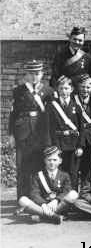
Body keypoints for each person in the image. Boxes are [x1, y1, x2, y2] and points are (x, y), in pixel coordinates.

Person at [9, 61, 54, 198]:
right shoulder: (18, 91)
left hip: (41, 132)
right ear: (26, 75)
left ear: (42, 74)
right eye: (31, 74)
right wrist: (11, 134)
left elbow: (51, 115)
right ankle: (22, 198)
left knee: (40, 164)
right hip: (22, 132)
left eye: (37, 74)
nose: (34, 77)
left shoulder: (48, 91)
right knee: (22, 165)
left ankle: (38, 196)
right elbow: (13, 113)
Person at [17, 146, 78, 224]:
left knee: (74, 194)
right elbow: (34, 193)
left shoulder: (65, 175)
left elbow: (67, 190)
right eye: (49, 160)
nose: (52, 163)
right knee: (22, 200)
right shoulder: (37, 175)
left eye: (55, 160)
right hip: (43, 205)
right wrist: (43, 204)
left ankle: (42, 216)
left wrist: (57, 200)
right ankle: (54, 216)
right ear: (45, 161)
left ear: (60, 161)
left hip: (58, 205)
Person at [46, 75, 84, 187]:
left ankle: (73, 198)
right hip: (58, 144)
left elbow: (81, 128)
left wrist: (80, 146)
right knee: (59, 172)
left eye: (66, 88)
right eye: (61, 88)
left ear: (71, 89)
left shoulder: (76, 106)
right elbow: (48, 127)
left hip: (73, 145)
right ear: (57, 89)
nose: (64, 91)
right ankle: (60, 198)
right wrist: (51, 146)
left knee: (73, 173)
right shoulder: (52, 106)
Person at [74, 74, 91, 183]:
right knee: (75, 165)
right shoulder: (73, 100)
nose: (85, 90)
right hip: (77, 137)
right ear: (78, 87)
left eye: (88, 87)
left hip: (90, 138)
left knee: (88, 165)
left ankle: (85, 190)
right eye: (83, 87)